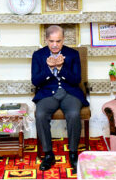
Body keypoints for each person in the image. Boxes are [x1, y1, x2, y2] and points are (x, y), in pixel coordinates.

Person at [31, 25, 89, 172]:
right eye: (51, 41)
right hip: (47, 93)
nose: (55, 45)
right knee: (40, 114)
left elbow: (76, 80)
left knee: (74, 114)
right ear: (46, 40)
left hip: (70, 92)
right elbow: (35, 81)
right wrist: (49, 69)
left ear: (63, 40)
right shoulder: (38, 55)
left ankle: (73, 153)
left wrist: (62, 68)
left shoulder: (73, 54)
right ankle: (48, 154)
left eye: (58, 41)